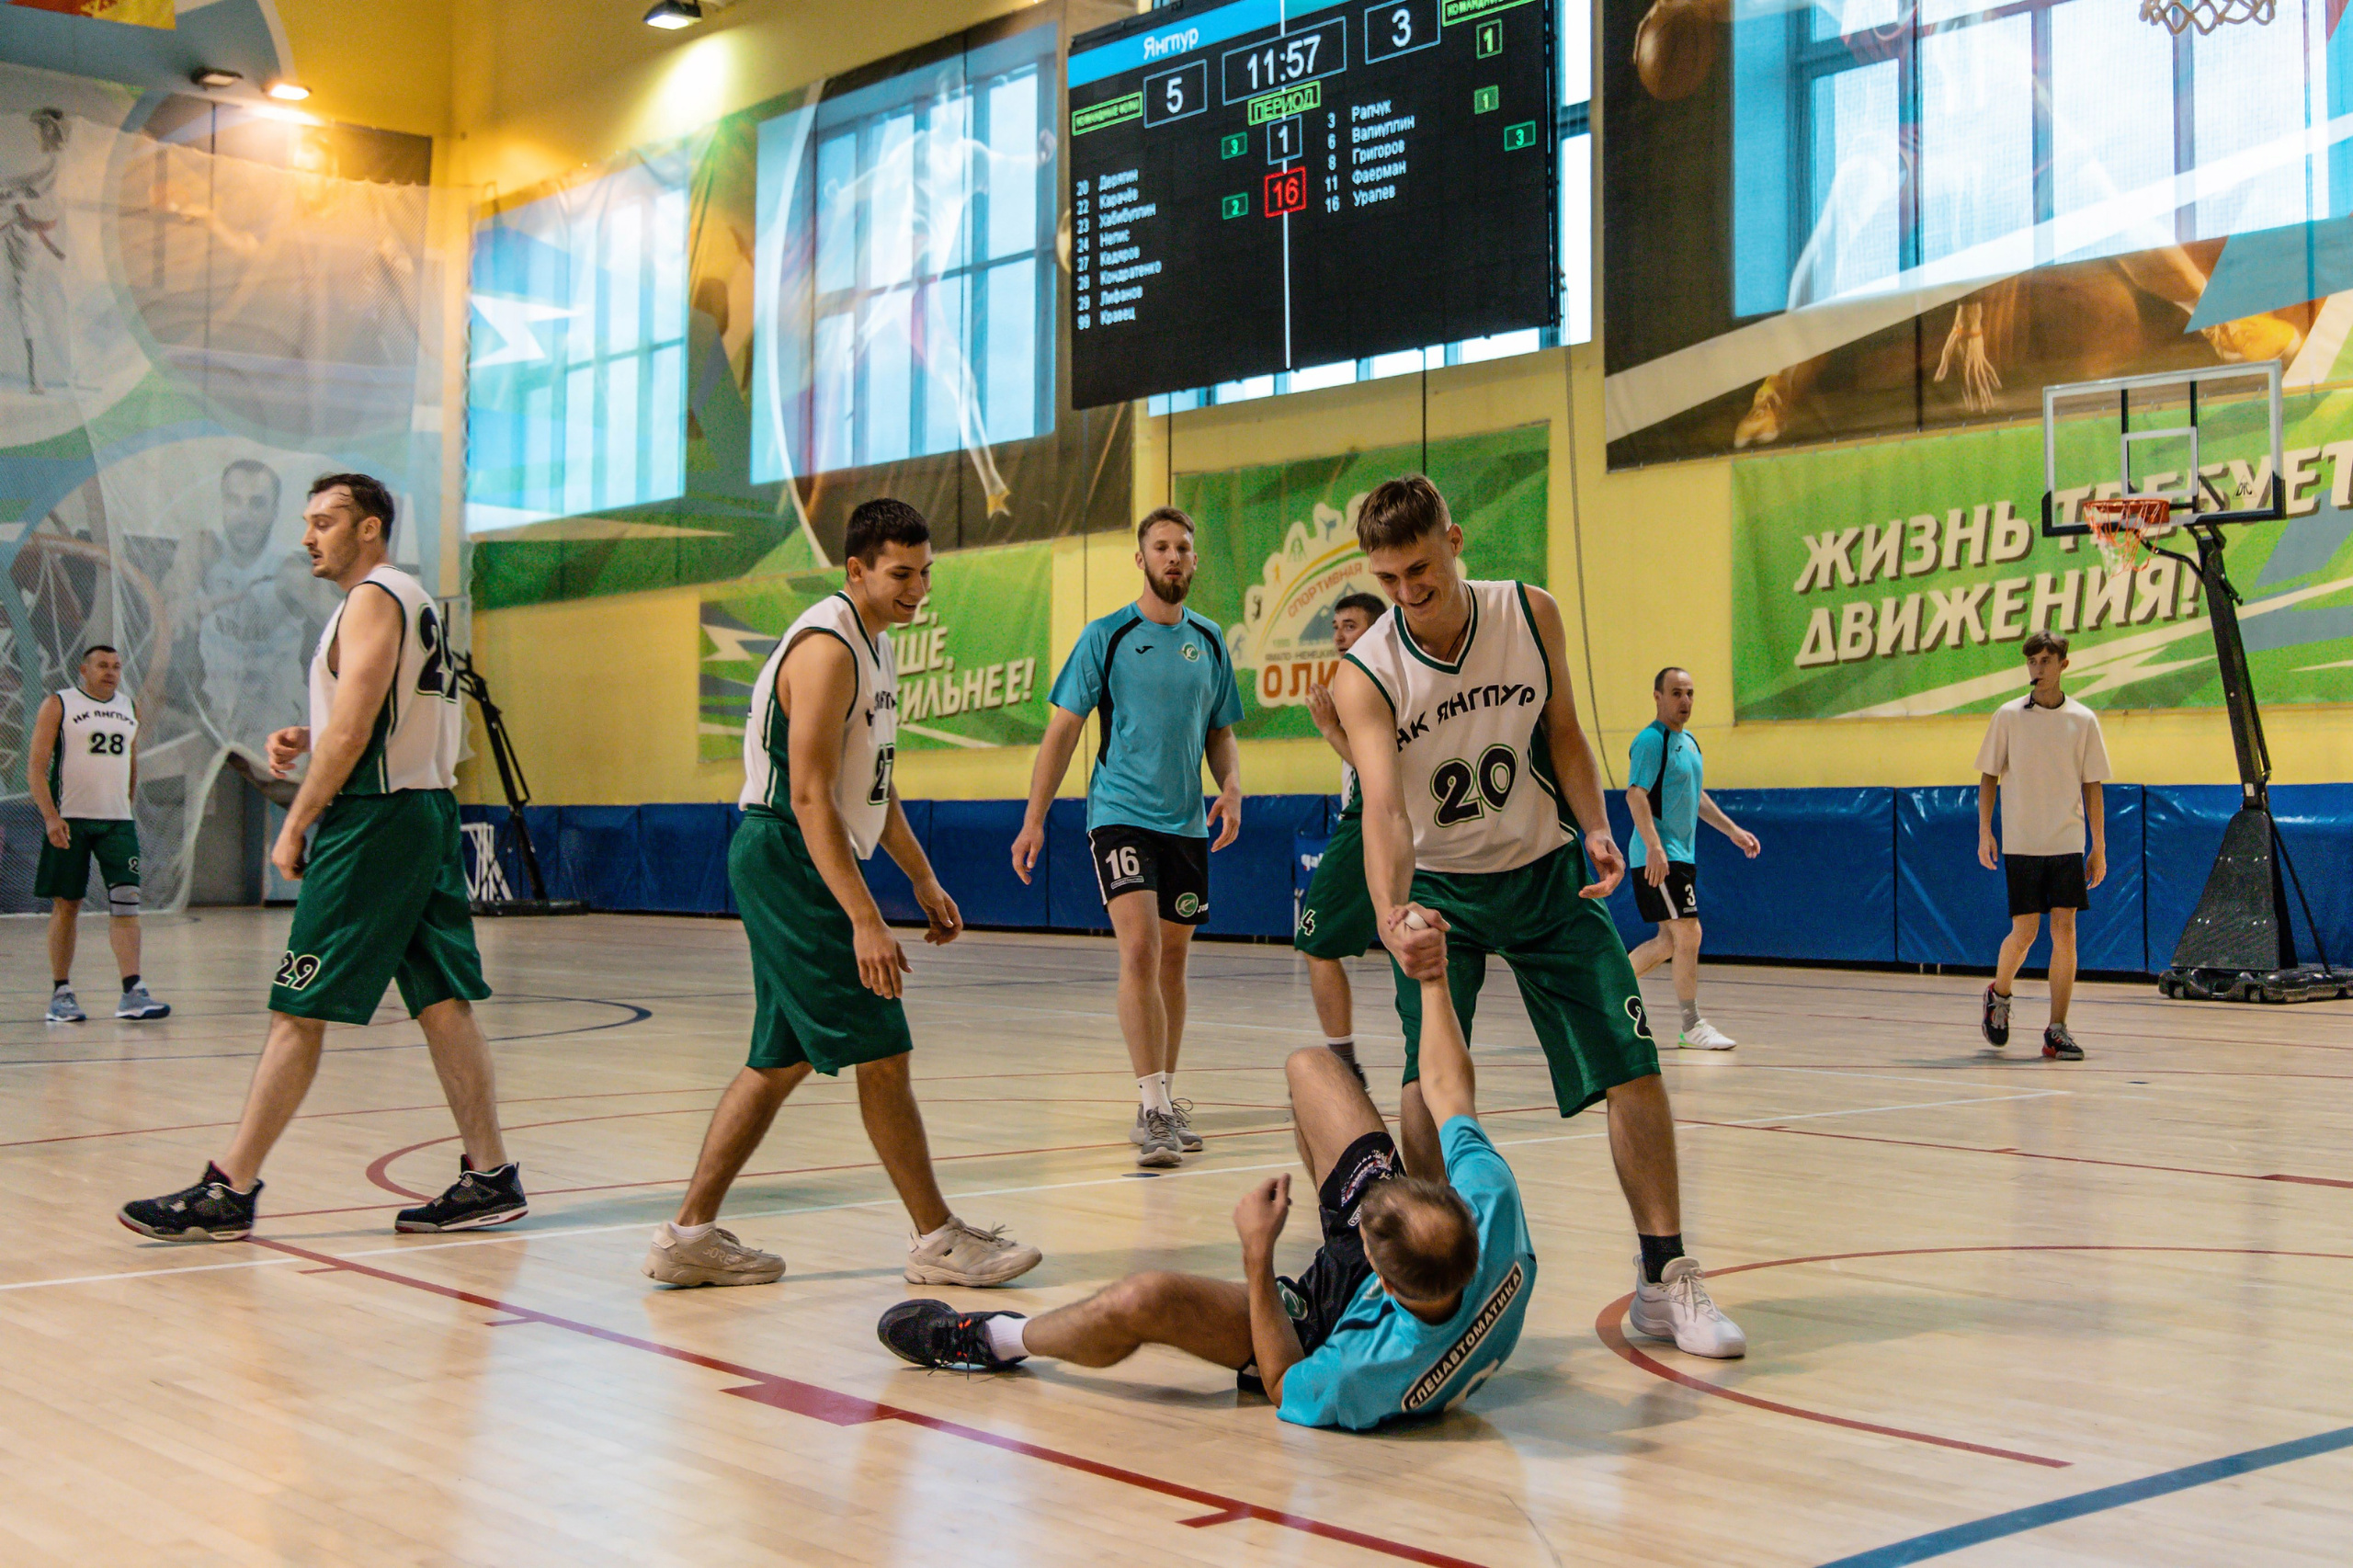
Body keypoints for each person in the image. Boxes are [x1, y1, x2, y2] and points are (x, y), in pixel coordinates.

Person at [1327, 475, 1745, 1356]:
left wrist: (1597, 827)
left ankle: (1665, 1279)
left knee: (1631, 1062)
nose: (1407, 591)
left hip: (1545, 870)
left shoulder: (1529, 611)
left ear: (1455, 536)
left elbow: (1563, 732)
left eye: (1421, 567)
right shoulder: (1367, 671)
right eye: (1390, 577)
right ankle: (1435, 1295)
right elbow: (1384, 810)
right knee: (1422, 1084)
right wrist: (1393, 911)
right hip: (1440, 886)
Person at [878, 922, 1537, 1432]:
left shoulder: (1361, 1375)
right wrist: (1430, 975)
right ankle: (1352, 1215)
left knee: (1144, 1299)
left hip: (1319, 1329)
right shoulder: (1492, 1207)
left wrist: (1258, 1256)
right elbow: (1453, 1087)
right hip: (1405, 1280)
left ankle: (990, 1340)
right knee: (1314, 1067)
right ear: (1464, 1218)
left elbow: (1284, 1383)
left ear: (1382, 1275)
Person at [642, 498, 1040, 1291]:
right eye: (901, 573)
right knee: (882, 1049)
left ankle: (687, 1238)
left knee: (775, 1062)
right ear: (854, 570)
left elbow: (873, 788)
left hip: (798, 852)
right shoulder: (827, 648)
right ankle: (937, 1241)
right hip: (787, 852)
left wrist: (922, 878)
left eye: (926, 572)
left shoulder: (877, 644)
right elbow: (813, 797)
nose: (918, 587)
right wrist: (866, 917)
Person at [119, 473, 523, 1241]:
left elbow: (356, 726)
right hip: (421, 811)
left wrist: (297, 819)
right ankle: (490, 1175)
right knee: (442, 999)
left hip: (374, 821)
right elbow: (381, 712)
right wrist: (309, 731)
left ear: (369, 528)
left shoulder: (374, 596)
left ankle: (228, 1188)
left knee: (296, 1005)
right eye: (307, 522)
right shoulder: (406, 599)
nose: (309, 535)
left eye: (326, 521)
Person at [1010, 506, 1243, 1169]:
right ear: (1141, 560)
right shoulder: (1106, 637)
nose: (1174, 557)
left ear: (1195, 562)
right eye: (1162, 547)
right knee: (1139, 949)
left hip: (1187, 822)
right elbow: (1063, 733)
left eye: (1184, 549)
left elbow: (1220, 730)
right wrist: (1033, 818)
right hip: (1119, 813)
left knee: (1173, 959)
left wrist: (1230, 786)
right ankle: (1153, 1107)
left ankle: (1163, 1098)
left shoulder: (1211, 640)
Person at [1975, 629, 2110, 1062]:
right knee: (2026, 932)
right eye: (2032, 662)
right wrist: (1985, 830)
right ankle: (1999, 996)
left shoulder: (2083, 720)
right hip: (2022, 843)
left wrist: (2098, 846)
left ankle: (2057, 1028)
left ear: (2063, 665)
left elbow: (2093, 785)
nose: (2037, 669)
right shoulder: (2008, 717)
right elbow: (1988, 776)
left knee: (2065, 930)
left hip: (2067, 843)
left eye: (2046, 661)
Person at [28, 645, 169, 1023]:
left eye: (117, 666)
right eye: (102, 665)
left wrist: (127, 807)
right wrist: (50, 818)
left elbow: (131, 761)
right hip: (70, 820)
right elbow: (36, 769)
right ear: (84, 670)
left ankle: (133, 991)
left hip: (117, 823)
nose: (111, 671)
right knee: (67, 904)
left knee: (127, 903)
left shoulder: (128, 707)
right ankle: (61, 993)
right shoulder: (59, 704)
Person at [1623, 666, 1759, 1051]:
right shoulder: (1651, 742)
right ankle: (1692, 1024)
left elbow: (1696, 797)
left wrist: (1732, 830)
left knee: (1668, 942)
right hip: (1658, 857)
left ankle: (1603, 999)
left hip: (1682, 856)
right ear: (1658, 696)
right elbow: (1636, 795)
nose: (1685, 701)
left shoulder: (1690, 742)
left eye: (1690, 693)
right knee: (1689, 931)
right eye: (1676, 693)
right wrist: (1653, 846)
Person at [1297, 591, 1390, 1085]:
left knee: (1316, 940)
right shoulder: (1385, 675)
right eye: (1335, 626)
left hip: (1369, 820)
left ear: (1377, 629)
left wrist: (1330, 728)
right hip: (1392, 820)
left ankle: (1343, 1062)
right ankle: (1429, 1060)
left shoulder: (1369, 680)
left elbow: (1377, 770)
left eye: (1349, 625)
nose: (1338, 635)